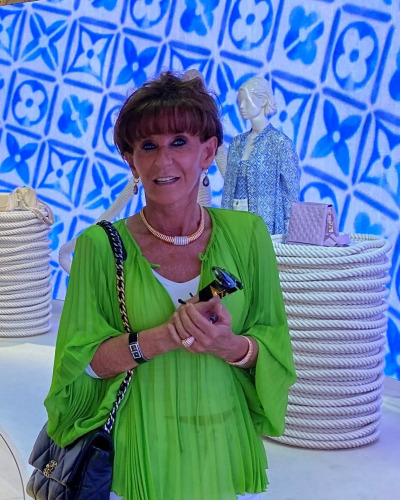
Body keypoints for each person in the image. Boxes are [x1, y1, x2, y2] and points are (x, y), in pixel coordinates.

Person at [44, 72, 296, 500]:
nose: (163, 161)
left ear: (208, 152)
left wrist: (230, 346)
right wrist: (160, 337)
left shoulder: (250, 236)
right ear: (131, 160)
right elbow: (81, 364)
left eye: (179, 142)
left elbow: (274, 344)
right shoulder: (99, 248)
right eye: (148, 146)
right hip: (137, 443)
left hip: (219, 439)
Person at [221, 76, 300, 234]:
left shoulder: (280, 143)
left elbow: (291, 193)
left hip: (266, 228)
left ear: (263, 101)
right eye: (239, 102)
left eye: (246, 101)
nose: (241, 106)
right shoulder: (236, 143)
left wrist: (290, 232)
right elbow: (228, 189)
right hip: (235, 225)